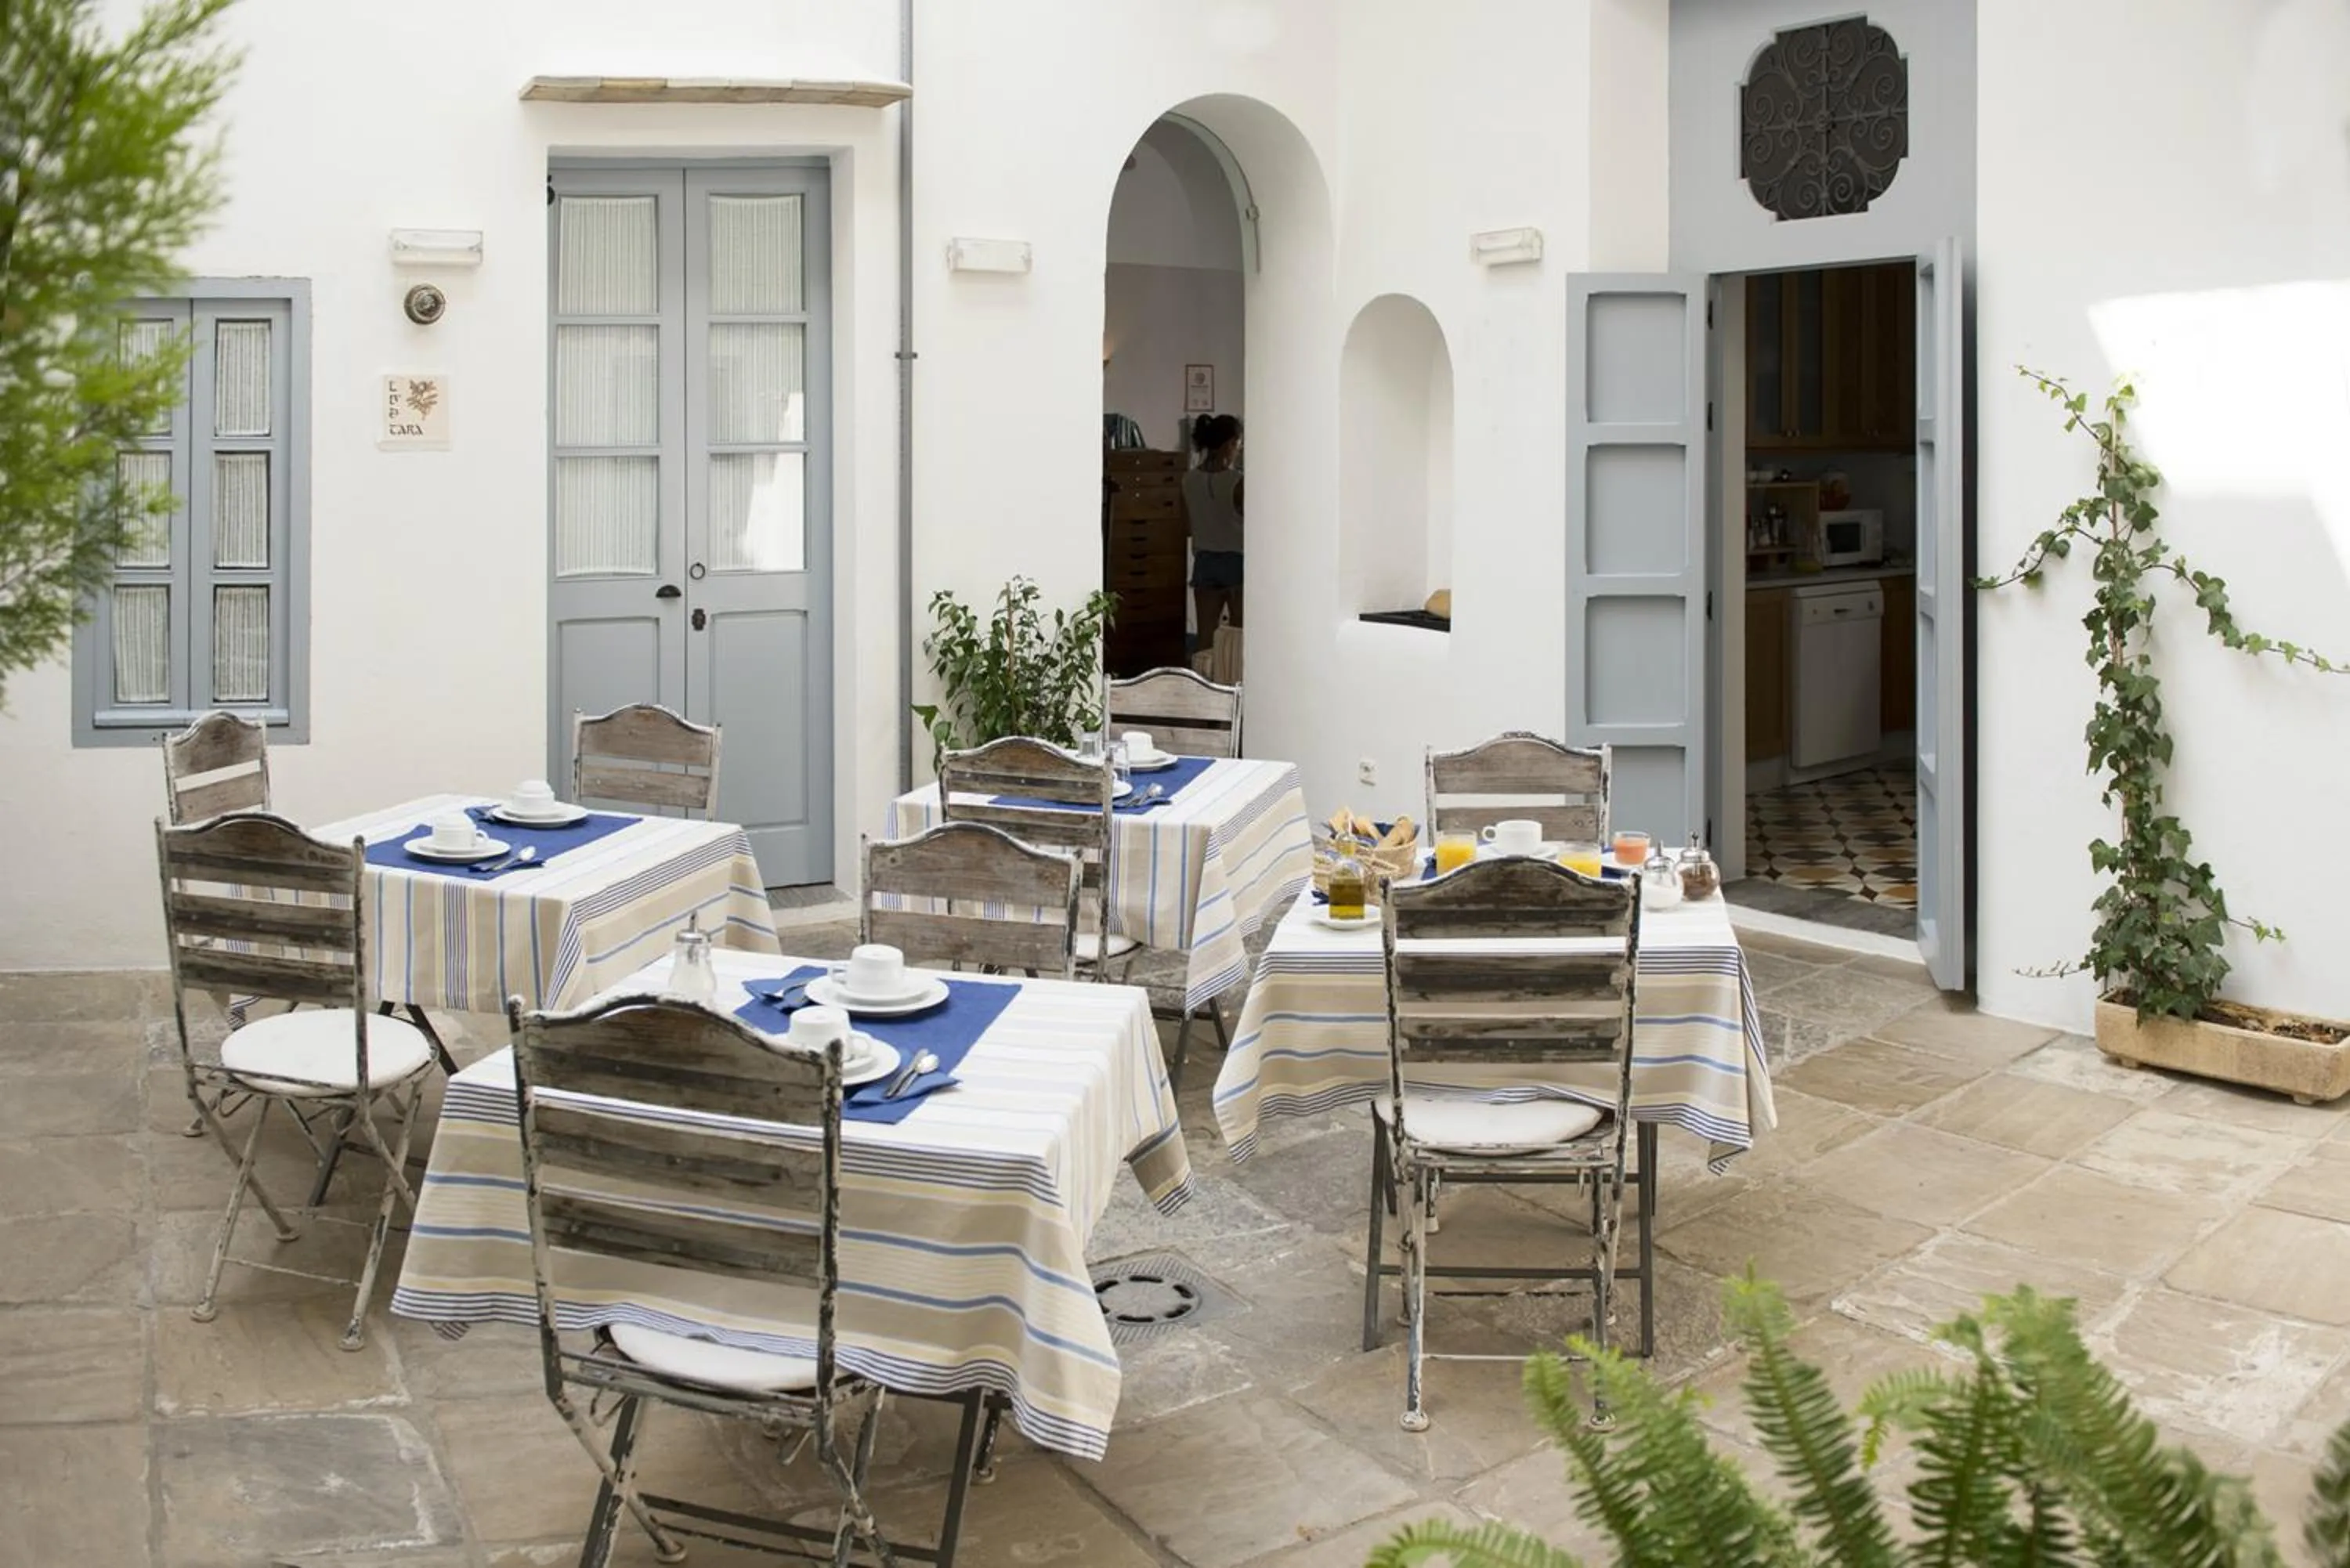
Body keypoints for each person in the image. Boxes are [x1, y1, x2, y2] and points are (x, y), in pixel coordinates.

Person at [1182, 413, 1245, 638]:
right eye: (1238, 444)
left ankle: (1203, 674)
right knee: (1238, 637)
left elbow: (1187, 526)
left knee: (1205, 636)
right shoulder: (1237, 482)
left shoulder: (1188, 480)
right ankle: (1233, 674)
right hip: (1235, 561)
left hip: (1205, 561)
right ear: (1230, 444)